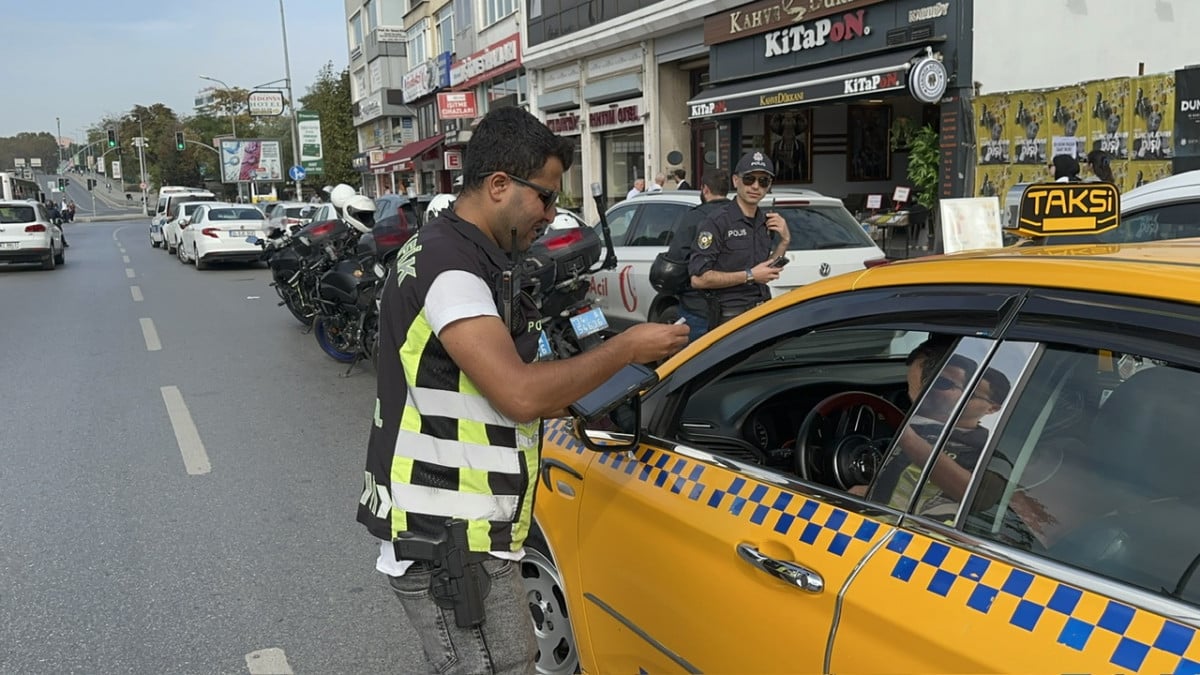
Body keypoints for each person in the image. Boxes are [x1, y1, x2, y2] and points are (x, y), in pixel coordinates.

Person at [358, 106, 689, 675]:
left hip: (454, 527)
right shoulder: (451, 266)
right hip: (451, 533)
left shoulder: (454, 251)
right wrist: (625, 350)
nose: (551, 214)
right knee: (505, 663)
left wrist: (594, 395)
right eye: (545, 197)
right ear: (499, 186)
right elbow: (518, 394)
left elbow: (493, 387)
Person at [687, 151, 790, 327]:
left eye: (763, 181)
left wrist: (784, 241)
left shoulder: (765, 221)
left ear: (769, 185)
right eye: (749, 179)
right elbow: (698, 279)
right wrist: (749, 276)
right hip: (729, 316)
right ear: (736, 181)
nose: (756, 186)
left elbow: (765, 271)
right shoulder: (717, 222)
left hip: (762, 310)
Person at [665, 169, 730, 342]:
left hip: (698, 307)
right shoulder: (739, 215)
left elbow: (677, 258)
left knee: (691, 364)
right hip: (737, 308)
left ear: (705, 189)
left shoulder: (694, 218)